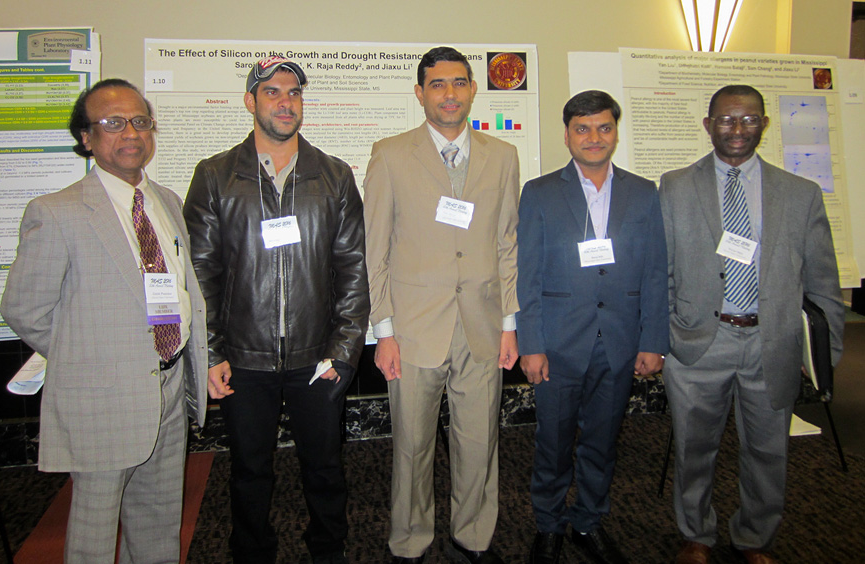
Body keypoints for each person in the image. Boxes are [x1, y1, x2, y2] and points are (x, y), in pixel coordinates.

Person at [0, 79, 208, 564]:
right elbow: (23, 309)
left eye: (139, 121)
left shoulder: (167, 202)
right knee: (94, 534)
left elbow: (179, 290)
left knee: (158, 522)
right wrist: (89, 358)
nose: (130, 132)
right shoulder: (57, 212)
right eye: (113, 123)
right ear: (87, 138)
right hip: (101, 397)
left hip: (170, 386)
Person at [183, 57, 368, 564]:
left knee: (326, 468)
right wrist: (212, 352)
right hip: (243, 359)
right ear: (251, 102)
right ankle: (251, 552)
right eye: (272, 92)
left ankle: (328, 551)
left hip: (317, 359)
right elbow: (201, 275)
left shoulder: (333, 176)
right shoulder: (216, 176)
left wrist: (344, 353)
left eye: (294, 93)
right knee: (249, 470)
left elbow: (353, 271)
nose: (285, 101)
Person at [659, 84, 844, 564]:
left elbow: (823, 280)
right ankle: (695, 533)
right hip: (700, 341)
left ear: (764, 123)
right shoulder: (676, 186)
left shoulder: (800, 194)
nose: (736, 129)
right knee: (693, 449)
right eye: (725, 119)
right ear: (708, 125)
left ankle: (755, 539)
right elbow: (661, 270)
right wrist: (667, 333)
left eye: (747, 119)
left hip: (772, 342)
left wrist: (823, 355)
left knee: (767, 453)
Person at [363, 46, 519, 564]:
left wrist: (509, 323)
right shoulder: (389, 154)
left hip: (481, 324)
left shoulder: (502, 156)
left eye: (458, 83)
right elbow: (375, 249)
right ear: (420, 93)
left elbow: (506, 244)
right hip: (412, 330)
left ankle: (474, 534)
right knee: (412, 446)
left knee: (480, 443)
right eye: (437, 84)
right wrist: (383, 330)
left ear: (473, 89)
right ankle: (410, 538)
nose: (449, 93)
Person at [516, 91, 668, 564]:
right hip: (558, 344)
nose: (594, 137)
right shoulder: (540, 193)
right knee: (553, 443)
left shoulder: (644, 193)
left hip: (620, 343)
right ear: (567, 135)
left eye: (603, 127)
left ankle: (588, 521)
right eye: (582, 128)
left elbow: (655, 273)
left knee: (602, 442)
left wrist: (653, 340)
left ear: (615, 132)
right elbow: (528, 274)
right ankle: (548, 523)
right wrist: (531, 343)